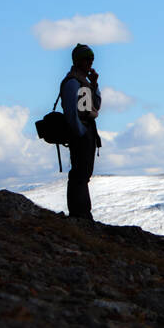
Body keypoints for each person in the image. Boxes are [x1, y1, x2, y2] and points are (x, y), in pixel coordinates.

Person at [61, 43, 102, 220]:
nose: (90, 63)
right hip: (82, 132)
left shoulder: (84, 82)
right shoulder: (72, 82)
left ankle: (83, 211)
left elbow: (96, 105)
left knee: (84, 172)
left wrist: (94, 84)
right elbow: (71, 112)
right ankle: (79, 212)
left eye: (91, 59)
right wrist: (80, 132)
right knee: (79, 172)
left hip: (88, 130)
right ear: (78, 61)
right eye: (87, 59)